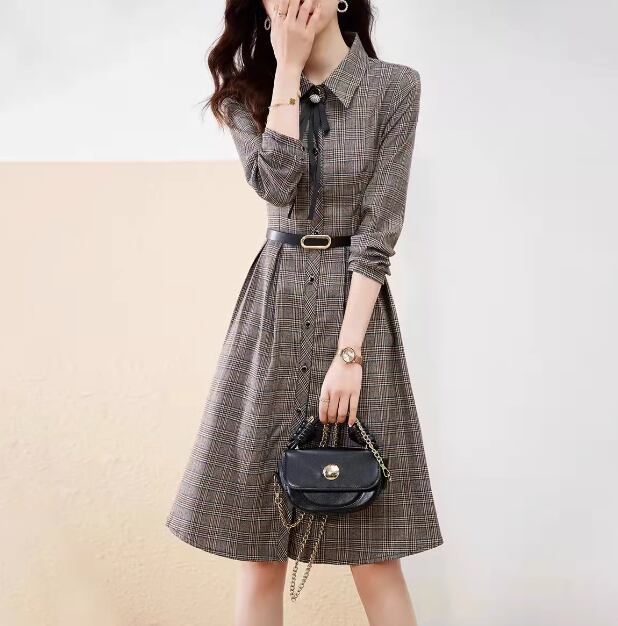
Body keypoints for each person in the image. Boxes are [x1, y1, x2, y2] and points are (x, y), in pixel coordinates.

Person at [165, 1, 443, 623]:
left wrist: (349, 356)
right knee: (258, 553)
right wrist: (287, 71)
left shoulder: (394, 88)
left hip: (357, 316)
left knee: (377, 554)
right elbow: (275, 185)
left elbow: (379, 230)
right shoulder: (246, 96)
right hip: (272, 317)